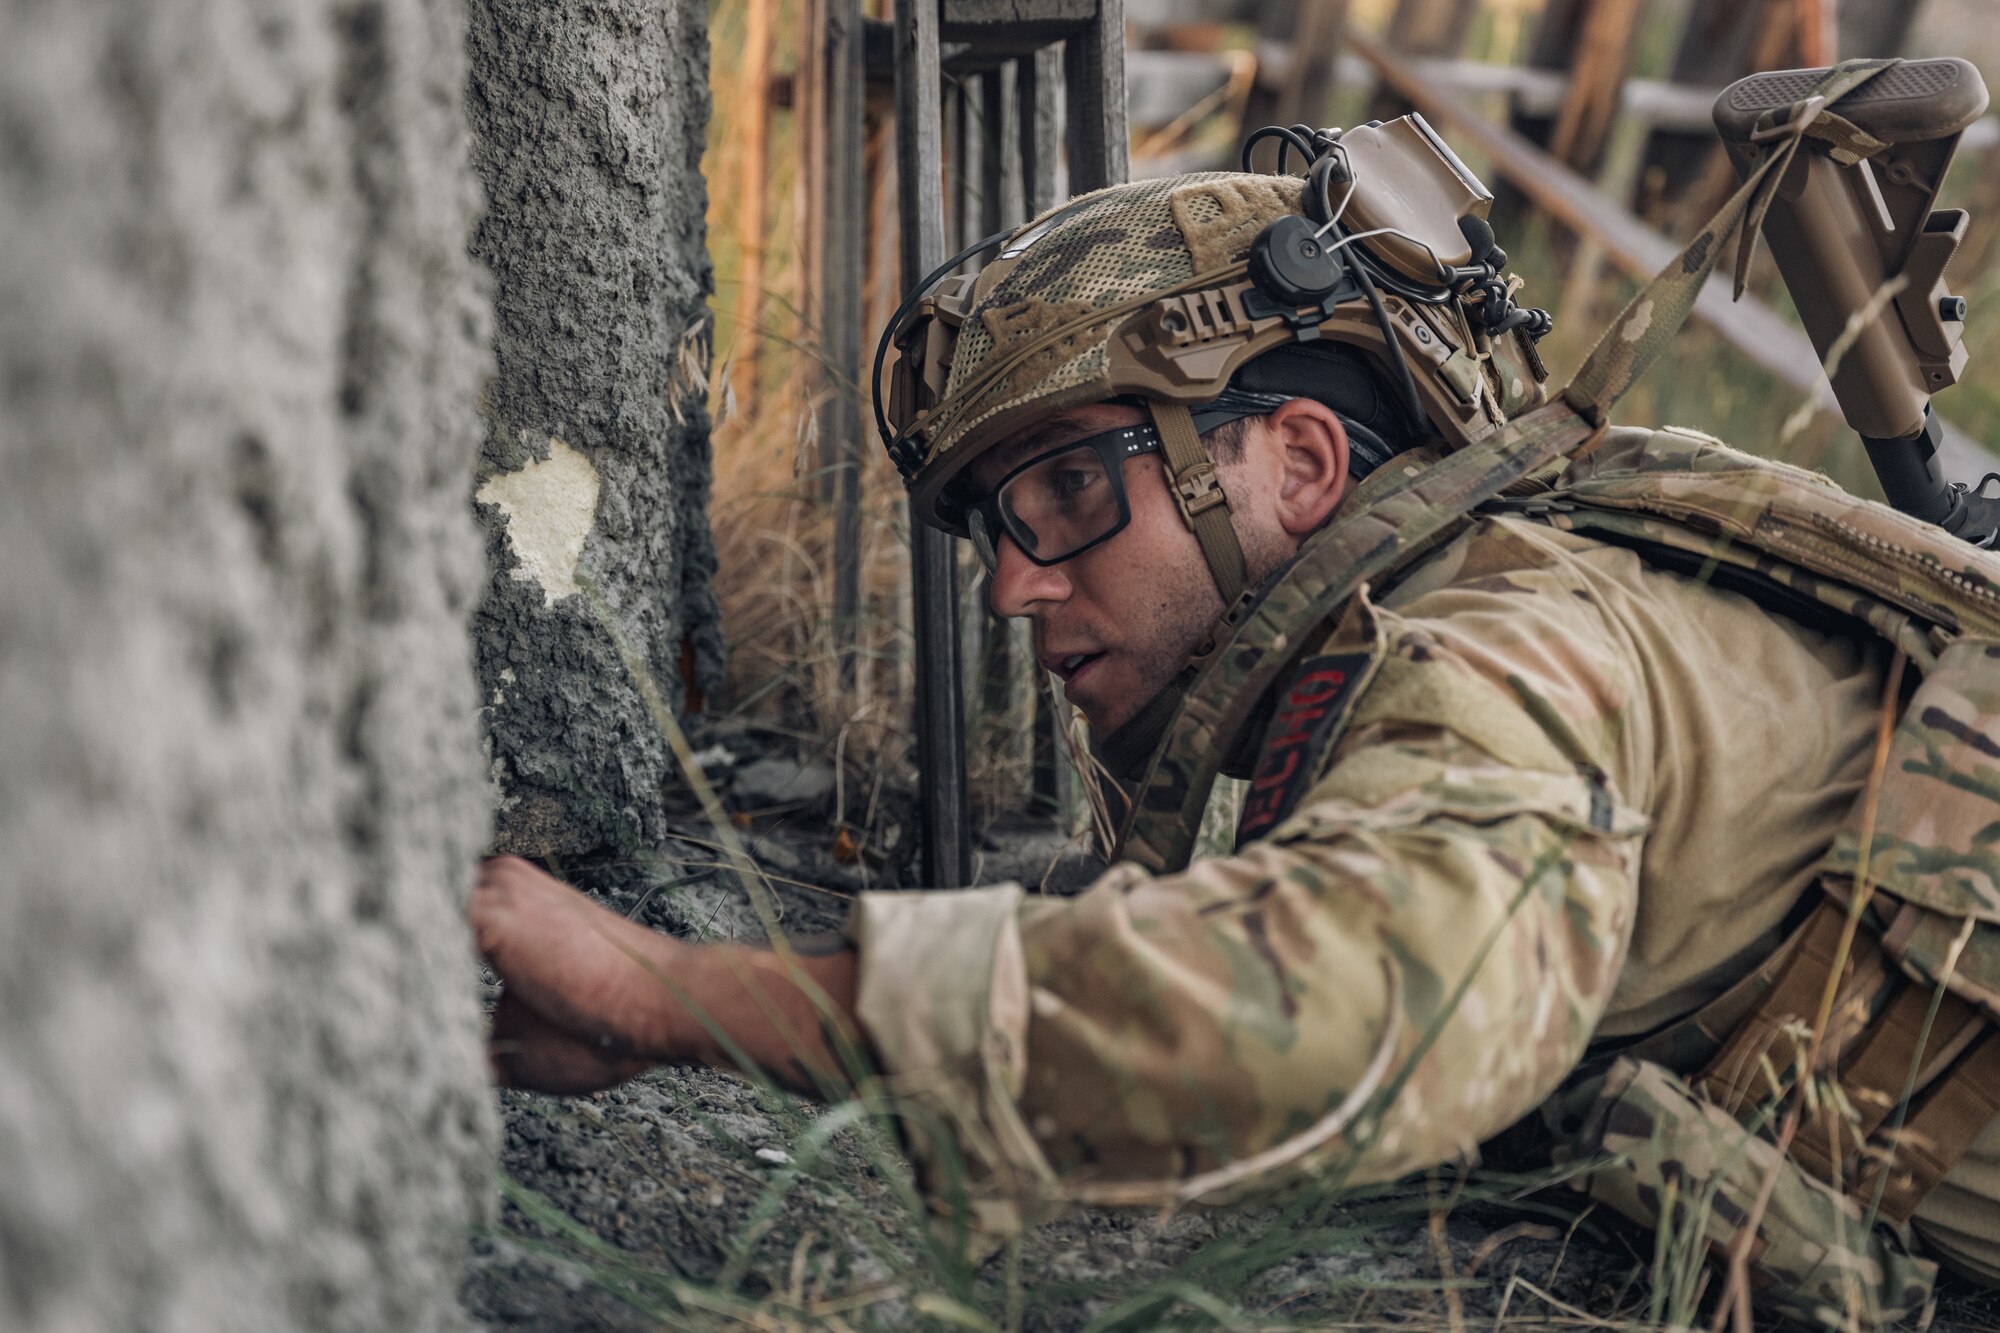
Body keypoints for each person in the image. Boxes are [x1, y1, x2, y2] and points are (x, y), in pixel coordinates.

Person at [472, 95, 2000, 1327]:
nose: (1010, 590)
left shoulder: (1506, 644)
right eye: (991, 531)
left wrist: (675, 996)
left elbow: (1350, 1006)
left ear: (1303, 466)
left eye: (1068, 490)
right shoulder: (1439, 615)